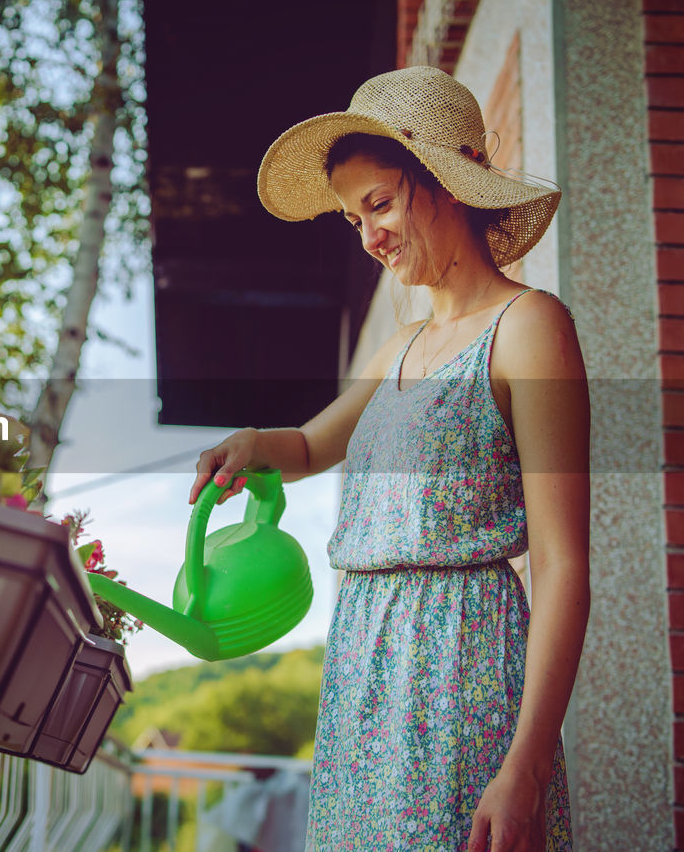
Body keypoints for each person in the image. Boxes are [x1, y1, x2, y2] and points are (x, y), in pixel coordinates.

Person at [188, 66, 589, 851]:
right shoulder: (399, 344)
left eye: (379, 203)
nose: (368, 235)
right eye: (351, 218)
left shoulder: (528, 325)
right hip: (360, 672)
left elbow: (565, 563)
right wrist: (250, 444)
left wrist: (528, 767)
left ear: (446, 182)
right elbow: (310, 444)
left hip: (460, 668)